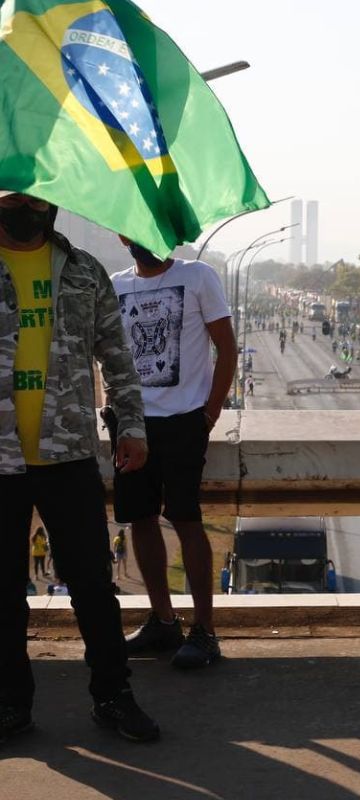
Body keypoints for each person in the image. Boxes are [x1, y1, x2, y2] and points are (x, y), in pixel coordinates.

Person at [0, 192, 159, 742]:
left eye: (37, 201)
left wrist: (132, 426)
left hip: (68, 455)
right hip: (0, 460)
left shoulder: (84, 272)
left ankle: (113, 696)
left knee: (93, 586)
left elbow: (117, 355)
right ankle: (10, 704)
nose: (27, 211)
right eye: (14, 200)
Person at [110, 238, 236, 669]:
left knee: (186, 520)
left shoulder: (198, 276)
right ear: (123, 237)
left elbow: (226, 347)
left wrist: (210, 412)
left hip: (184, 421)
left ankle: (205, 632)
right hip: (131, 424)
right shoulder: (116, 286)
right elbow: (108, 355)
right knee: (140, 520)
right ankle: (164, 622)